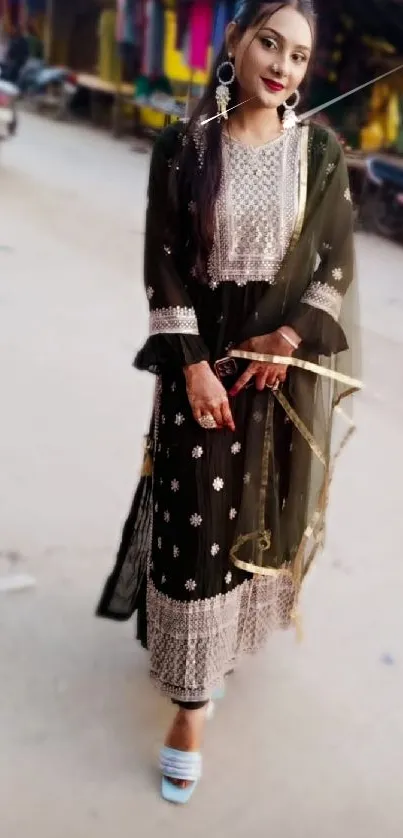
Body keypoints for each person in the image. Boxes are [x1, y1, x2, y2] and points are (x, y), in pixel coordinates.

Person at [97, 0, 360, 804]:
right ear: (237, 42)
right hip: (200, 372)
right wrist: (193, 370)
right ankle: (188, 707)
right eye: (268, 43)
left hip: (275, 378)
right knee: (191, 526)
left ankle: (216, 661)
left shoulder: (319, 153)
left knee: (253, 520)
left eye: (298, 56)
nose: (281, 65)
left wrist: (288, 342)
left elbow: (335, 261)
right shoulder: (183, 147)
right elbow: (164, 262)